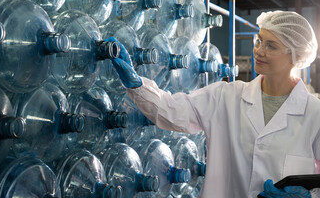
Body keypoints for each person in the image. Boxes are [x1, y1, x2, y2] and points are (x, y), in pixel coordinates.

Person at [106, 11, 320, 198]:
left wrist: (310, 196)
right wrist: (136, 84)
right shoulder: (225, 97)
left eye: (271, 46)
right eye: (259, 41)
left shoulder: (314, 113)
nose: (259, 50)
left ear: (297, 55)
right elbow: (170, 111)